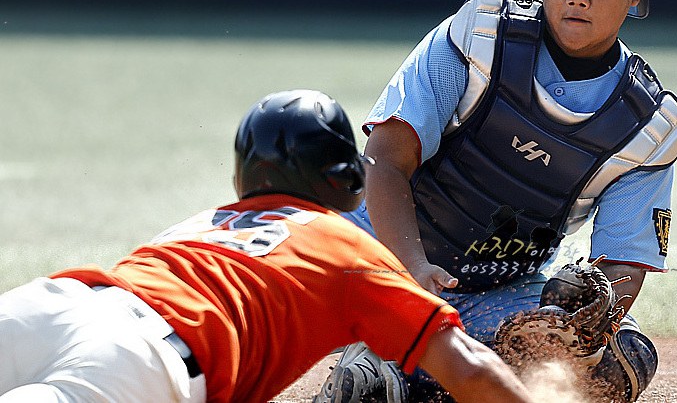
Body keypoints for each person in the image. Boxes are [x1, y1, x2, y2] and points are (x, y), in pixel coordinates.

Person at [316, 0, 677, 402]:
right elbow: (384, 162)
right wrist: (412, 268)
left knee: (622, 363)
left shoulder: (647, 125)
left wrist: (593, 311)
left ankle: (388, 372)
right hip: (381, 254)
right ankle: (393, 353)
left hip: (501, 287)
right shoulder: (480, 41)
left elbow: (621, 262)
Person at [0, 90, 538, 403]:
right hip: (139, 359)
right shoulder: (347, 248)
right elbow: (467, 368)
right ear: (343, 175)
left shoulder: (204, 223)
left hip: (53, 304)